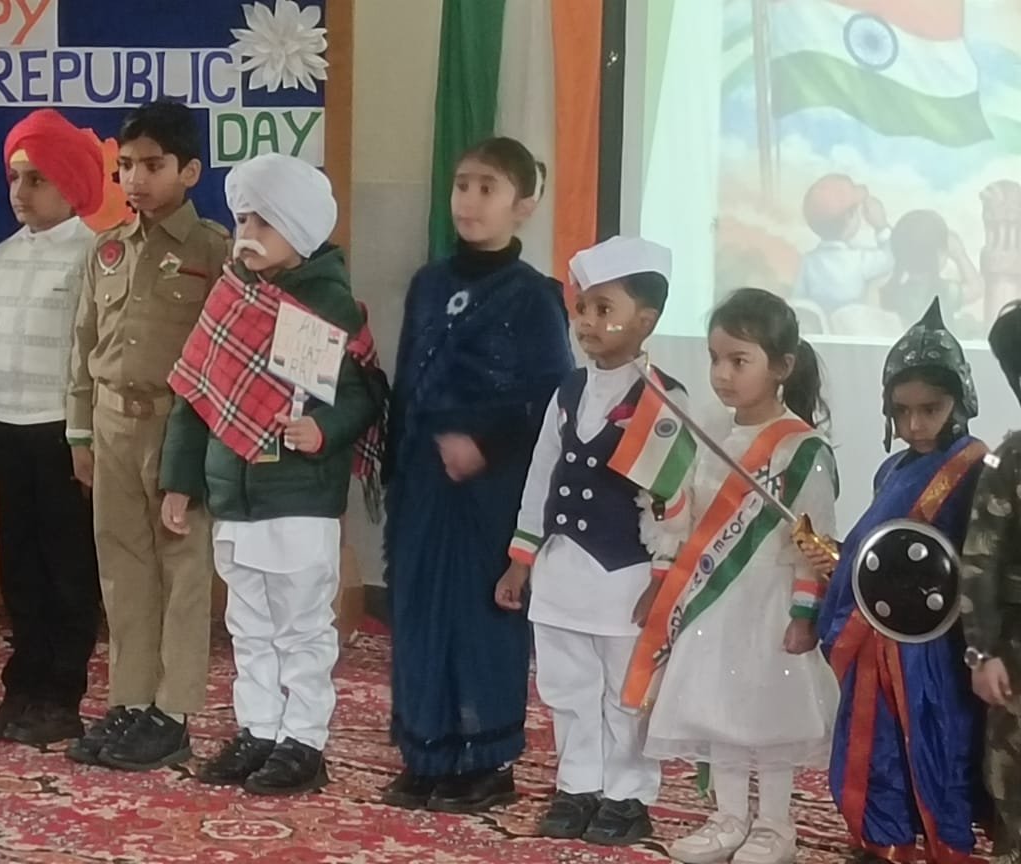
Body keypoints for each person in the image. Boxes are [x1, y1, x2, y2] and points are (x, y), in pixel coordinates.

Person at [159, 154, 386, 794]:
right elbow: (196, 397)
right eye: (242, 219)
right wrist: (180, 481)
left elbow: (362, 396)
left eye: (263, 221)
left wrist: (324, 429)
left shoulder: (330, 304)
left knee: (302, 626)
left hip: (298, 496)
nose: (247, 234)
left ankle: (303, 742)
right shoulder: (230, 297)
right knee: (248, 625)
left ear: (300, 229)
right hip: (234, 496)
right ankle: (258, 728)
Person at [382, 137, 574, 813]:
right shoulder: (428, 284)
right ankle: (427, 752)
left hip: (491, 488)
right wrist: (395, 466)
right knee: (418, 613)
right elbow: (407, 381)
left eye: (487, 188)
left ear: (523, 205)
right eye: (462, 184)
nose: (468, 200)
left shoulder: (534, 298)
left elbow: (551, 402)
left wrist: (483, 446)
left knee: (480, 616)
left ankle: (486, 760)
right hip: (424, 483)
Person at [627, 288, 839, 864]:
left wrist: (804, 614)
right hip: (714, 602)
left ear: (782, 367)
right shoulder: (709, 435)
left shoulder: (802, 450)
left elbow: (811, 543)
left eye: (739, 361)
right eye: (715, 359)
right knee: (719, 706)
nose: (722, 374)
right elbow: (689, 517)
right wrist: (666, 513)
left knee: (766, 712)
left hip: (769, 602)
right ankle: (727, 818)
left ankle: (774, 826)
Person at [494, 236, 682, 845]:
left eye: (606, 309)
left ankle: (627, 795)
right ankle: (578, 785)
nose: (588, 322)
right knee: (567, 687)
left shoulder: (663, 399)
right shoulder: (568, 391)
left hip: (625, 577)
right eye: (583, 308)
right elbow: (541, 476)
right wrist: (521, 559)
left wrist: (662, 577)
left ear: (645, 320)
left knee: (627, 692)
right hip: (561, 573)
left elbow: (672, 502)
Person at [65, 101, 230, 771]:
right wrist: (80, 432)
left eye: (153, 166)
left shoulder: (214, 250)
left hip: (177, 425)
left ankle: (173, 711)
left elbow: (225, 355)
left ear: (189, 171)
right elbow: (83, 344)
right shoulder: (106, 248)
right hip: (110, 422)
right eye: (126, 166)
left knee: (182, 569)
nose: (135, 179)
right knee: (122, 564)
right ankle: (130, 699)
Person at [807, 297, 987, 863]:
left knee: (938, 744)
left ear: (960, 400)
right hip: (874, 639)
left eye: (930, 409)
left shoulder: (974, 469)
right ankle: (884, 842)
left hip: (934, 648)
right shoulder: (893, 469)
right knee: (875, 743)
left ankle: (947, 846)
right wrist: (836, 559)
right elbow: (878, 550)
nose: (915, 425)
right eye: (902, 411)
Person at [0, 109, 110, 746]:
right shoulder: (1, 257)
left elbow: (93, 354)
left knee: (67, 568)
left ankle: (61, 696)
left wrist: (85, 438)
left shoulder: (94, 255)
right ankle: (21, 688)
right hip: (7, 428)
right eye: (15, 177)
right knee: (18, 566)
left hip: (62, 435)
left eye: (37, 179)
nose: (20, 191)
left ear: (71, 186)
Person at [961, 300, 1021, 864]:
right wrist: (982, 653)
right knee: (1012, 787)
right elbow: (980, 563)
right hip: (1015, 657)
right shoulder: (1010, 462)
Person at [793, 173, 893, 321]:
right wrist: (881, 226)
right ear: (849, 216)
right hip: (853, 328)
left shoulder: (808, 261)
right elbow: (892, 257)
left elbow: (798, 302)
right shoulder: (860, 260)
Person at [880, 210, 983, 338]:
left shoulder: (895, 293)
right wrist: (960, 255)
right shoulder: (944, 291)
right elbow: (976, 289)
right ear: (938, 254)